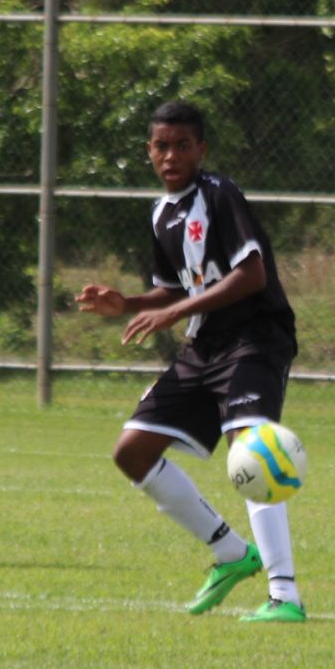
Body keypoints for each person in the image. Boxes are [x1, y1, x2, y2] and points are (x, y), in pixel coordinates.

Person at [76, 101, 305, 623]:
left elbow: (251, 274)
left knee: (250, 452)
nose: (171, 156)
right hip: (203, 348)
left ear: (201, 149)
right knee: (132, 451)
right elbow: (175, 289)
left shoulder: (220, 195)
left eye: (183, 146)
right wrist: (128, 304)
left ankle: (285, 596)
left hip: (254, 339)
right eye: (161, 146)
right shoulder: (161, 214)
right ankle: (231, 552)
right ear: (149, 152)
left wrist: (177, 311)